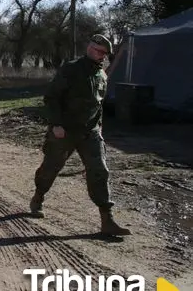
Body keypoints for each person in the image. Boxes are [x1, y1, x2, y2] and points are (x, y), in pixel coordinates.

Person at [29, 34, 131, 237]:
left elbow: (98, 105)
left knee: (99, 171)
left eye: (98, 50)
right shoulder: (71, 69)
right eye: (92, 47)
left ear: (104, 54)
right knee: (51, 167)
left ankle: (107, 219)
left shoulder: (102, 75)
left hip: (90, 132)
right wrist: (56, 124)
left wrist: (99, 128)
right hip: (64, 130)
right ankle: (38, 196)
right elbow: (52, 97)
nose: (93, 50)